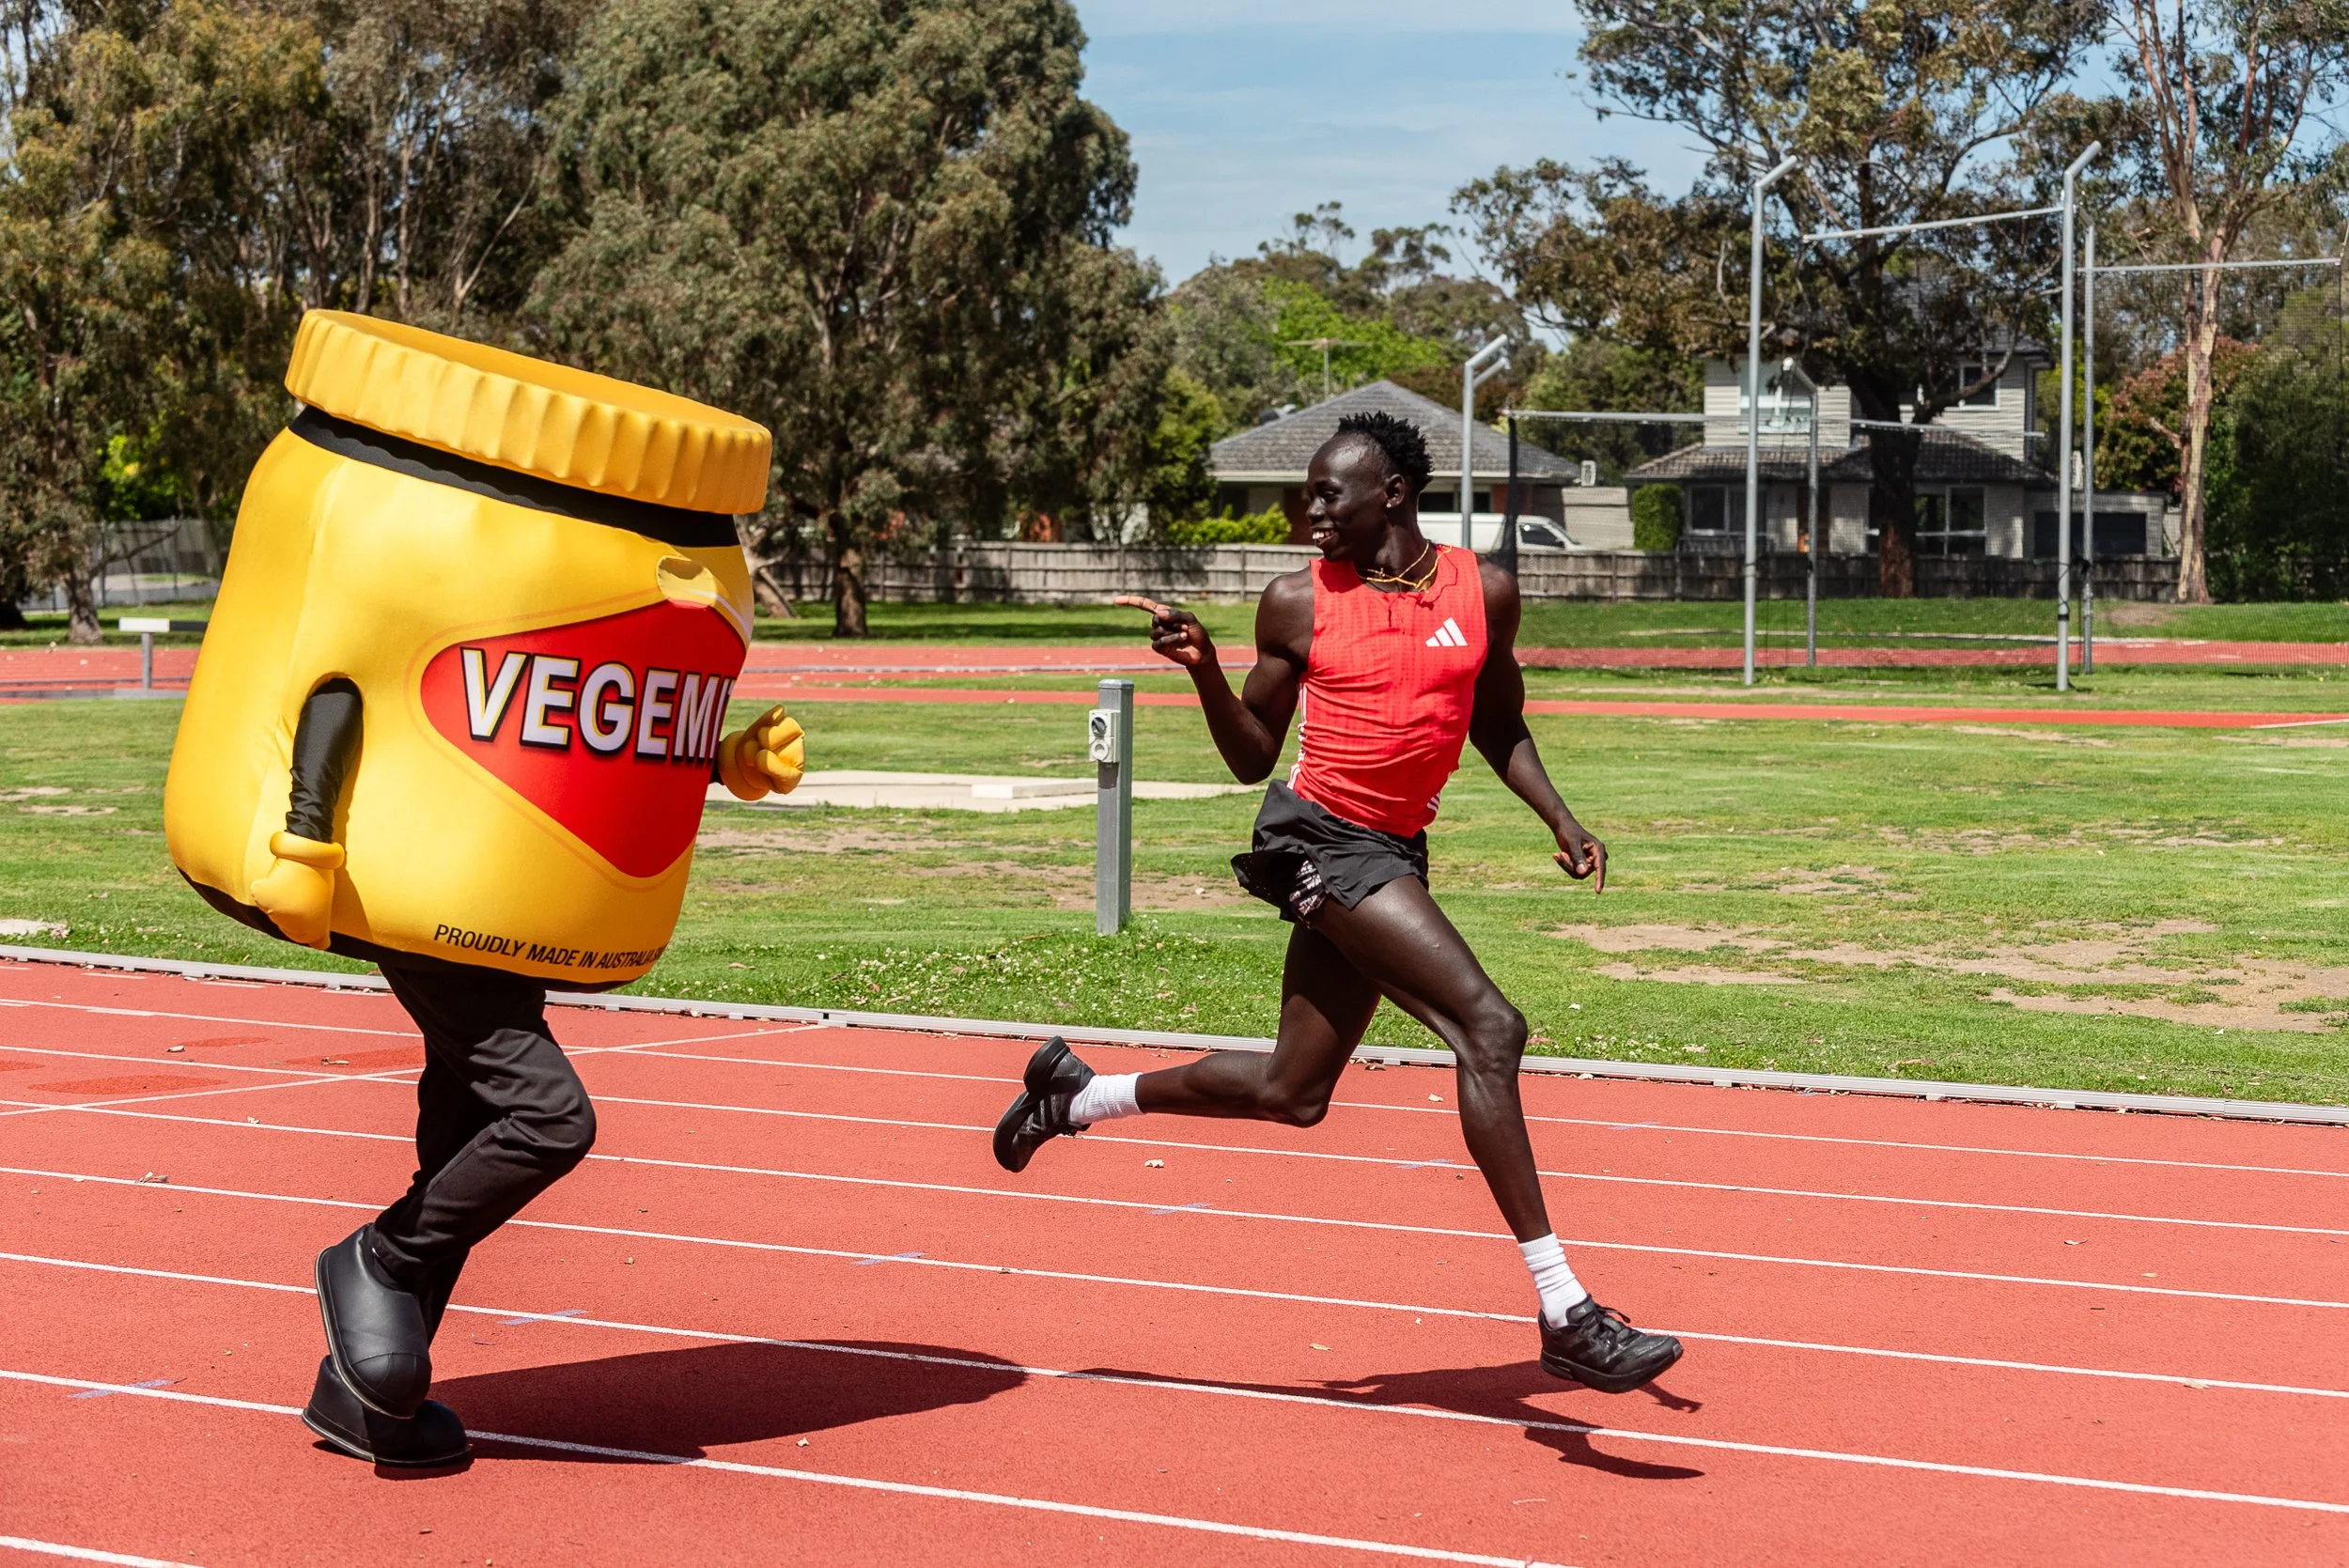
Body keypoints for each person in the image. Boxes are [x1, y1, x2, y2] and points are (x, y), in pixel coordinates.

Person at [992, 410, 1682, 1394]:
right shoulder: (1295, 603)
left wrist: (1560, 819)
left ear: (1391, 493)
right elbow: (1249, 757)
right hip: (1319, 841)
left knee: (1294, 1091)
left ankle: (1076, 1096)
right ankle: (1565, 1308)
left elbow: (1497, 721)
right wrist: (1203, 671)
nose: (1308, 511)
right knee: (1489, 1028)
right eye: (1307, 495)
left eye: (1327, 494)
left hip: (1393, 849)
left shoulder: (1484, 593)